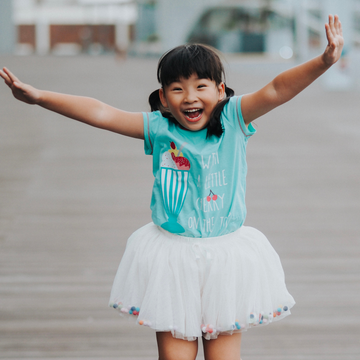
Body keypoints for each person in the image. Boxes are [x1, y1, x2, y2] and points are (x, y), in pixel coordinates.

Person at [0, 15, 343, 360]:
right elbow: (101, 113)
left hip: (225, 260)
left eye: (201, 86)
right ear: (163, 98)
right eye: (177, 89)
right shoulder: (158, 128)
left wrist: (324, 61)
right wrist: (39, 96)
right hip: (172, 260)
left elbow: (277, 88)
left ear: (220, 91)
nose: (190, 97)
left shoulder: (234, 119)